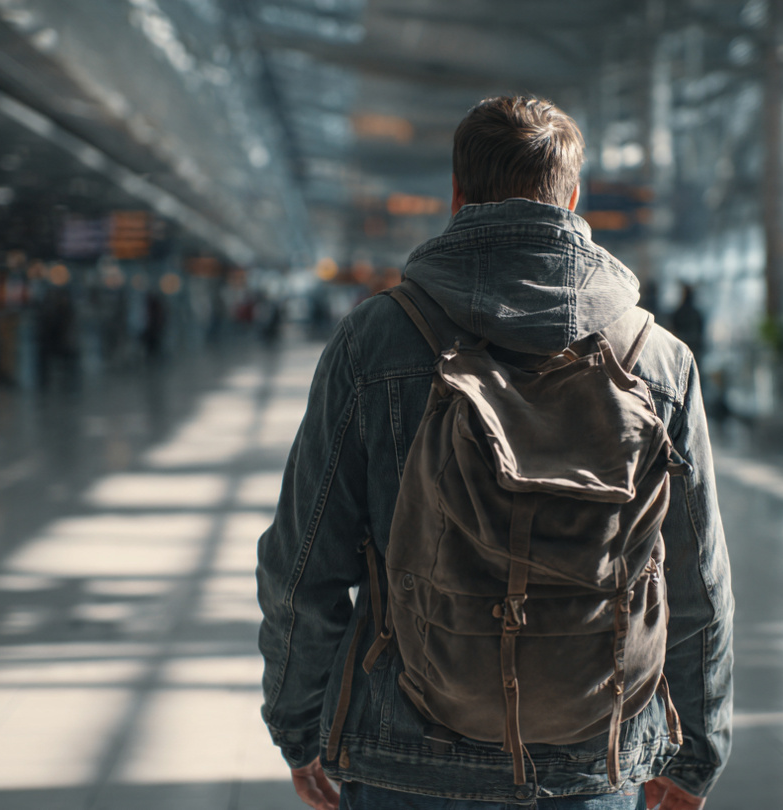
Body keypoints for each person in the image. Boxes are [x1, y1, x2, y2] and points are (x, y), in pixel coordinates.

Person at [256, 96, 732, 810]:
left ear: (456, 197)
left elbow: (302, 566)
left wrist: (299, 728)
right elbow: (698, 582)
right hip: (592, 755)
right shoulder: (658, 359)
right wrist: (696, 752)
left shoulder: (378, 339)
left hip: (403, 752)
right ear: (573, 198)